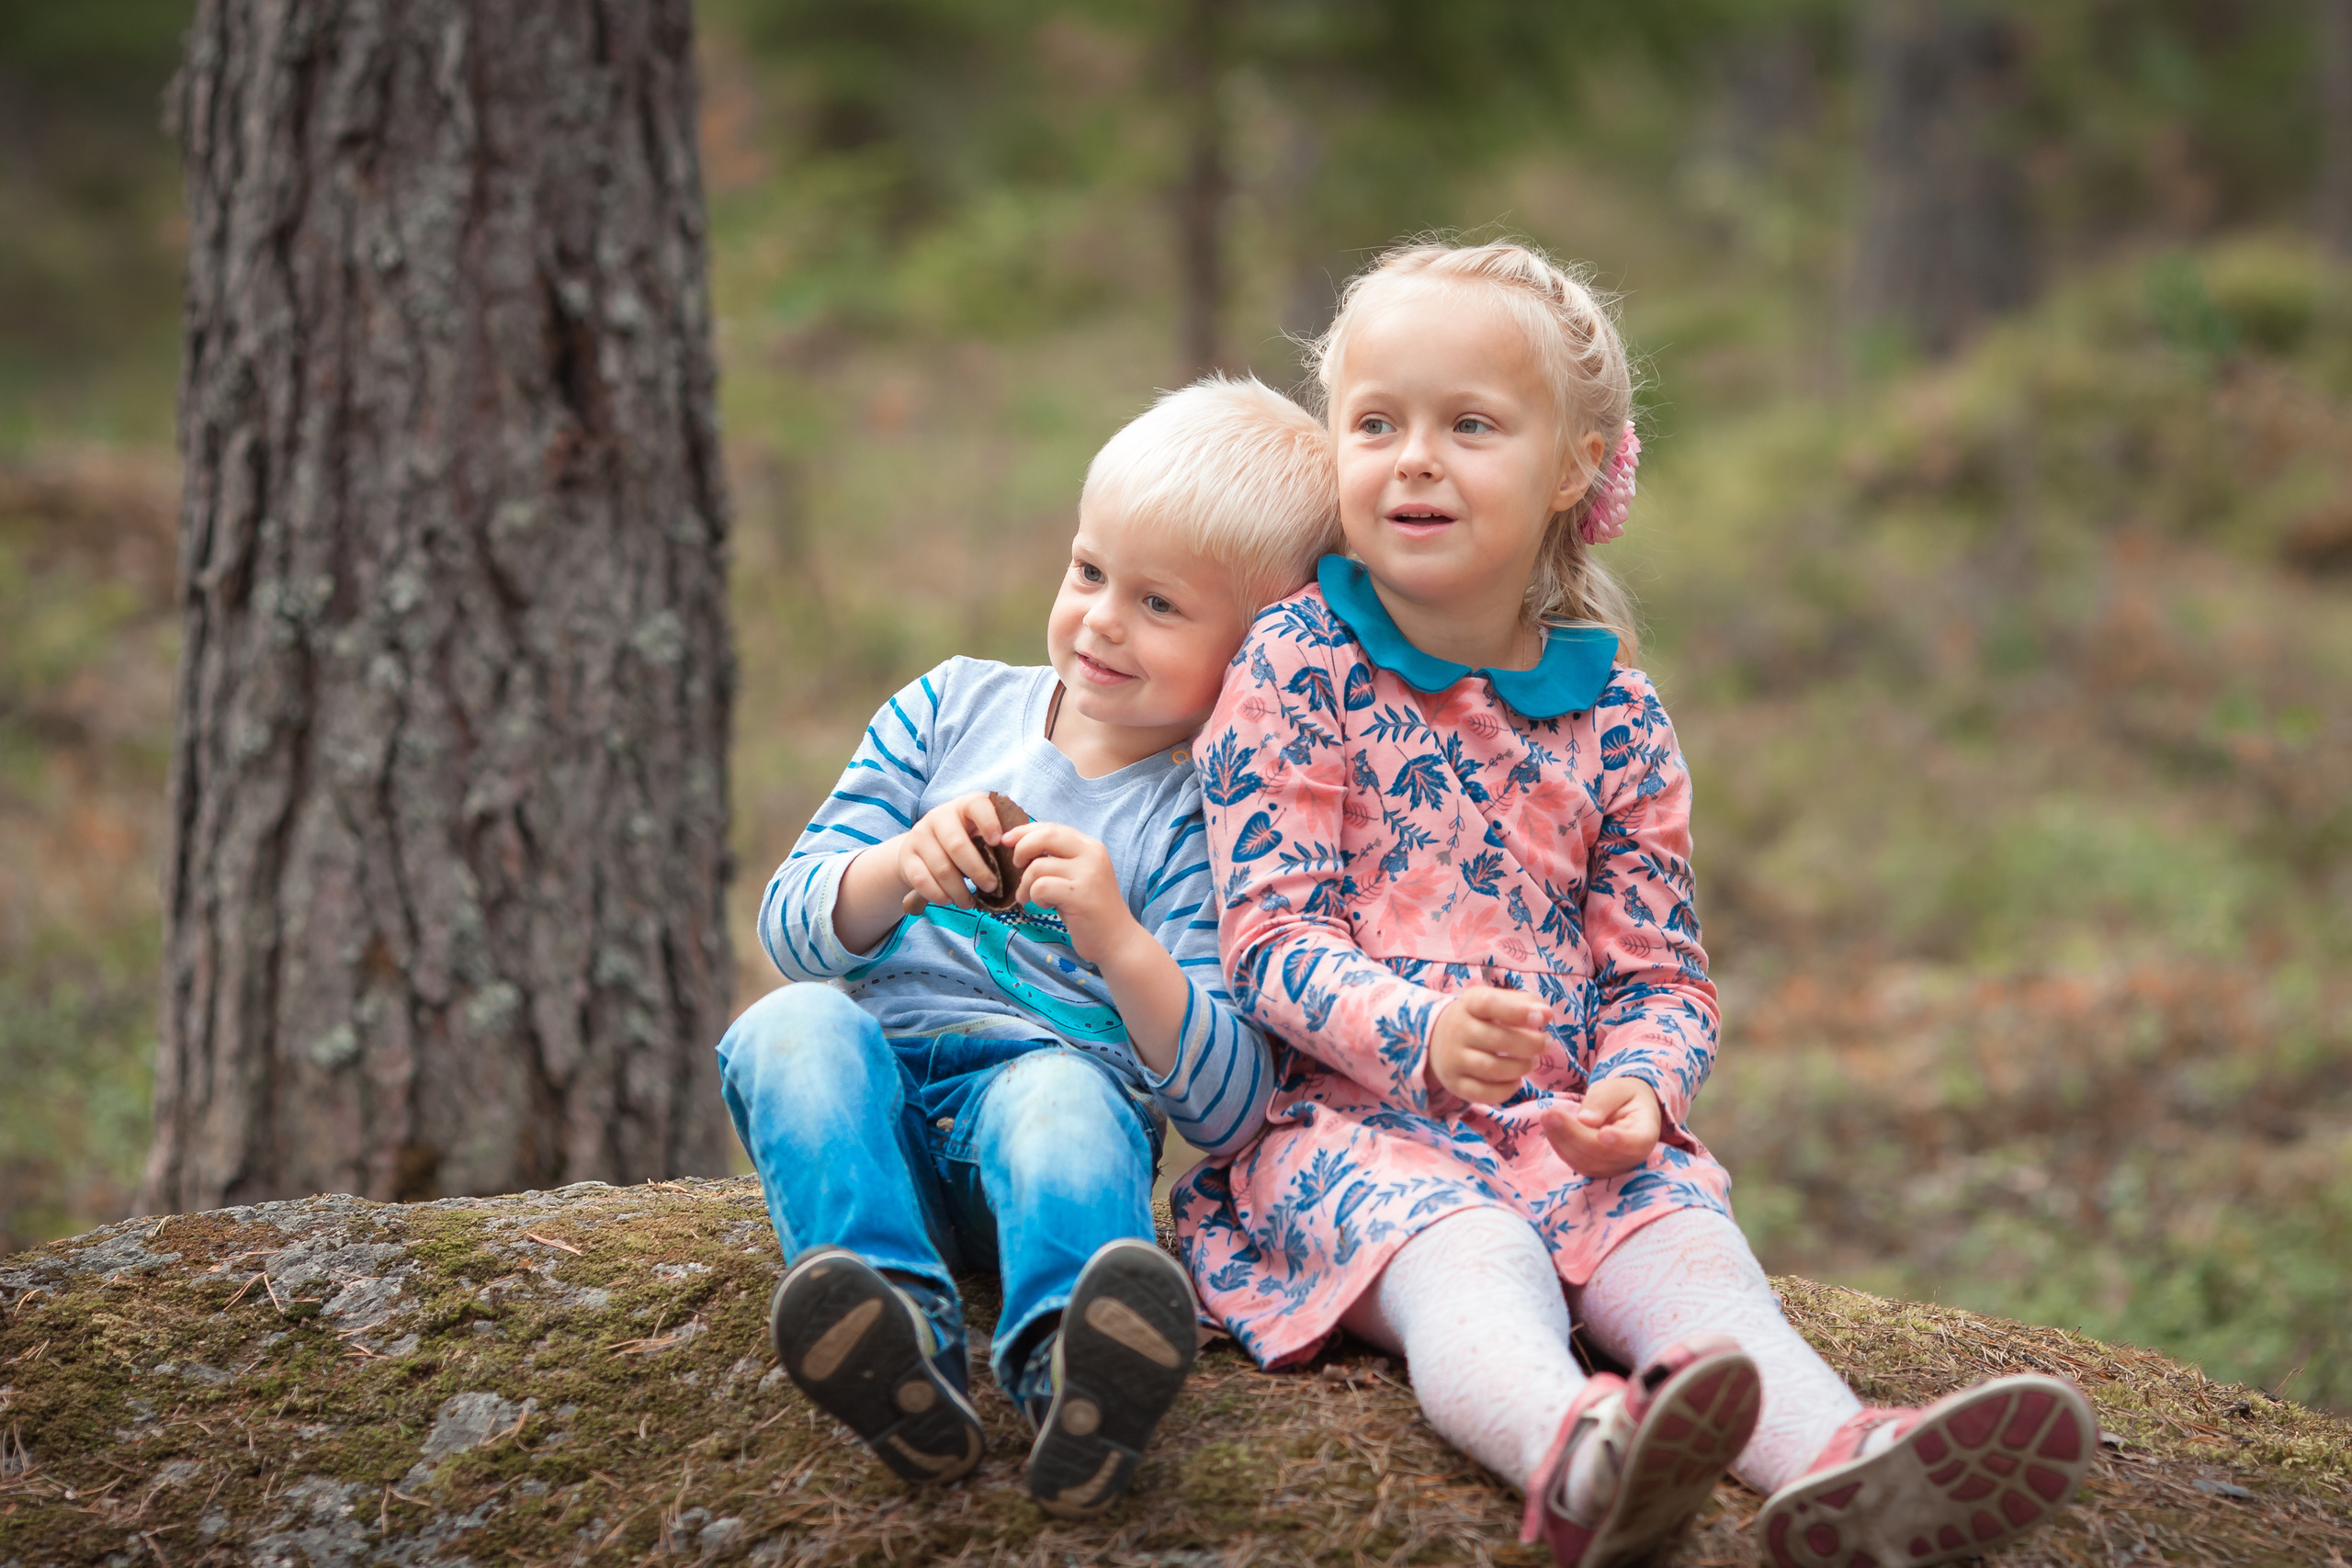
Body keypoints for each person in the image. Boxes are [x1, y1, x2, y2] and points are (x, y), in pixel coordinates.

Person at [1172, 241, 2096, 1568]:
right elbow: (1267, 934)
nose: (1414, 457)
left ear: (1574, 468)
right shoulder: (1297, 661)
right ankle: (1578, 1450)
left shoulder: (1617, 715)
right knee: (1473, 1264)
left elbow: (1662, 975)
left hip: (1567, 1131)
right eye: (1376, 422)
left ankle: (1848, 1468)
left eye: (1469, 425)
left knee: (1693, 1260)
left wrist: (1644, 1093)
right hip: (1356, 1125)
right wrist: (1418, 1029)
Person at [718, 375, 1335, 1518]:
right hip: (876, 1103)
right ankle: (886, 1319)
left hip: (1039, 1129)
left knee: (1057, 1087)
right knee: (790, 1026)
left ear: (1255, 654)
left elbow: (1231, 1110)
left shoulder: (1212, 822)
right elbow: (792, 926)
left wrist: (1117, 939)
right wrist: (899, 868)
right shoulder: (946, 710)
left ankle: (1076, 1363)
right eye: (1090, 571)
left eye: (1160, 605)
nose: (1100, 619)